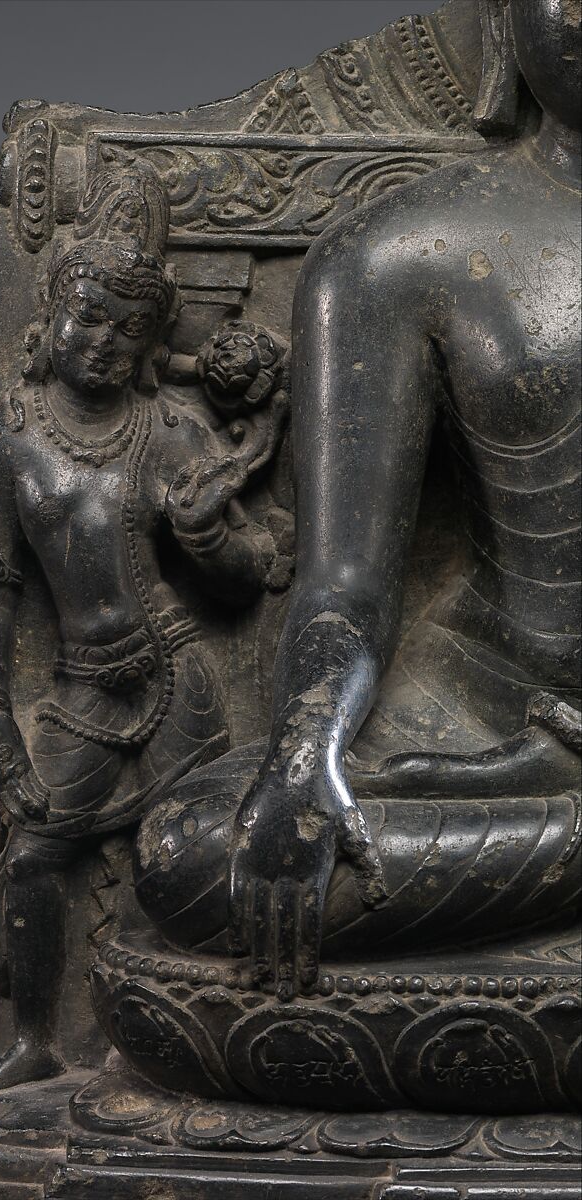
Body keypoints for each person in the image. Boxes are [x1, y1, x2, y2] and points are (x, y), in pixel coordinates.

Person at [142, 0, 580, 1001]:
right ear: (509, 18)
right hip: (479, 705)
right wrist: (309, 749)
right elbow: (347, 582)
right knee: (191, 848)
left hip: (521, 785)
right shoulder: (401, 251)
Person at [0, 228, 276, 1090]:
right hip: (82, 688)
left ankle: (154, 1042)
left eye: (126, 330)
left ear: (146, 350)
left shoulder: (169, 433)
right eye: (88, 317)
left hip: (179, 677)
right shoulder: (8, 442)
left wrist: (207, 534)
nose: (102, 341)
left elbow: (251, 575)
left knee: (175, 861)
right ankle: (33, 1041)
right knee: (31, 856)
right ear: (53, 313)